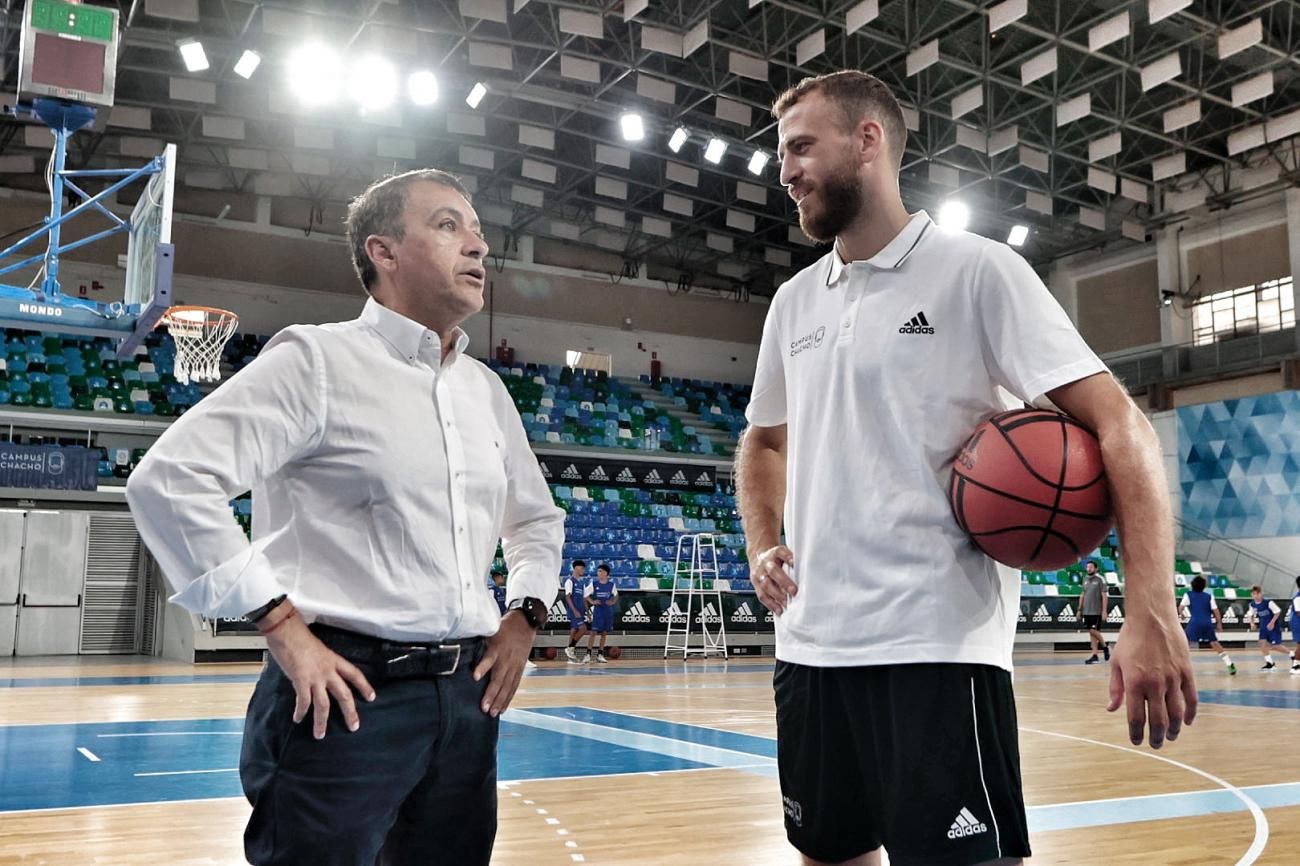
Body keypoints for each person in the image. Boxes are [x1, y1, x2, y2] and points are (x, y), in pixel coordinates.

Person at [736, 70, 1197, 866]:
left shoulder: (978, 273)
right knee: (824, 854)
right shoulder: (793, 303)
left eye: (802, 146)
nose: (785, 171)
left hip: (935, 648)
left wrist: (1150, 605)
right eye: (784, 153)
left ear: (868, 140)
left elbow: (1121, 422)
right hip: (809, 650)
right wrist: (761, 541)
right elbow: (763, 443)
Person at [125, 168, 565, 866]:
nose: (479, 248)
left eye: (479, 233)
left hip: (467, 700)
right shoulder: (316, 360)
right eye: (450, 226)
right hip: (344, 696)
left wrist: (525, 618)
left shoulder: (486, 390)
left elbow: (538, 522)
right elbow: (170, 480)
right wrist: (279, 625)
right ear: (382, 252)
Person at [1181, 576, 1236, 675]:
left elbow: (1180, 608)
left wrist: (1183, 614)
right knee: (1215, 643)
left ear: (1192, 585)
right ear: (1204, 586)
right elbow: (1216, 612)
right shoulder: (1209, 596)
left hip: (1194, 623)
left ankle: (1181, 667)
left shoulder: (1188, 595)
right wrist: (1219, 624)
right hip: (1207, 623)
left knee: (1185, 643)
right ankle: (1229, 663)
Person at [583, 563, 618, 663]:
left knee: (604, 633)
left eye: (600, 571)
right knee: (593, 632)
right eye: (598, 571)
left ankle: (600, 654)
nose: (598, 573)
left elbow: (616, 595)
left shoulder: (611, 585)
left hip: (607, 611)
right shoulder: (594, 584)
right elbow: (585, 595)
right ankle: (588, 654)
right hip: (598, 611)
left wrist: (613, 601)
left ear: (606, 573)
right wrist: (592, 602)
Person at [1245, 585, 1284, 671]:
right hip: (1263, 626)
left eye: (1257, 594)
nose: (1256, 596)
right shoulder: (1252, 604)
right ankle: (1270, 663)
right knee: (1261, 643)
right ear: (1252, 595)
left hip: (1273, 626)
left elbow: (1277, 612)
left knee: (1276, 646)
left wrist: (1272, 622)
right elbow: (1251, 614)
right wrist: (1252, 623)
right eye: (1254, 594)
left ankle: (1292, 654)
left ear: (1261, 594)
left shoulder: (1268, 602)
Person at [1080, 560, 1111, 664]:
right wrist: (1079, 609)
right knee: (1091, 633)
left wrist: (1104, 611)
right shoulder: (1084, 579)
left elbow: (1104, 596)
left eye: (1091, 567)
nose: (1088, 568)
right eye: (1087, 567)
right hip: (1086, 611)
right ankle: (1095, 655)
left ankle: (1105, 647)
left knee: (1093, 630)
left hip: (1096, 610)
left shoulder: (1100, 579)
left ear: (1096, 568)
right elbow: (1082, 594)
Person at [562, 559, 591, 661]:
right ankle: (570, 648)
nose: (583, 570)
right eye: (582, 568)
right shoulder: (569, 581)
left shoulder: (582, 583)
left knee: (574, 631)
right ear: (576, 568)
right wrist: (574, 610)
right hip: (574, 611)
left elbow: (584, 599)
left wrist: (588, 612)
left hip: (581, 611)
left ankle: (571, 656)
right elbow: (568, 597)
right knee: (583, 629)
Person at [1289, 576, 1300, 675]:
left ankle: (1296, 664)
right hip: (1297, 623)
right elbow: (1299, 612)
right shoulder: (1298, 598)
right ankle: (1295, 666)